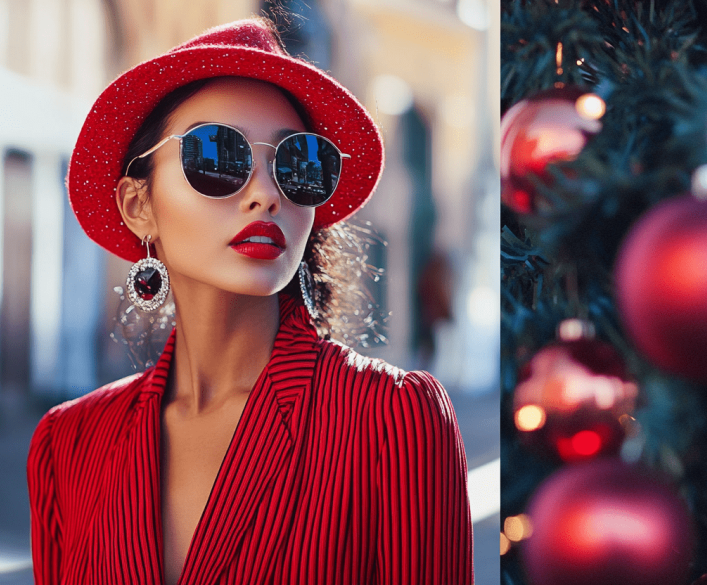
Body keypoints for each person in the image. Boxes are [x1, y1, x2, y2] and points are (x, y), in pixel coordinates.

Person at [26, 17, 473, 585]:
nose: (265, 193)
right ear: (139, 205)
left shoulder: (393, 419)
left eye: (298, 165)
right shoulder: (68, 444)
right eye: (218, 155)